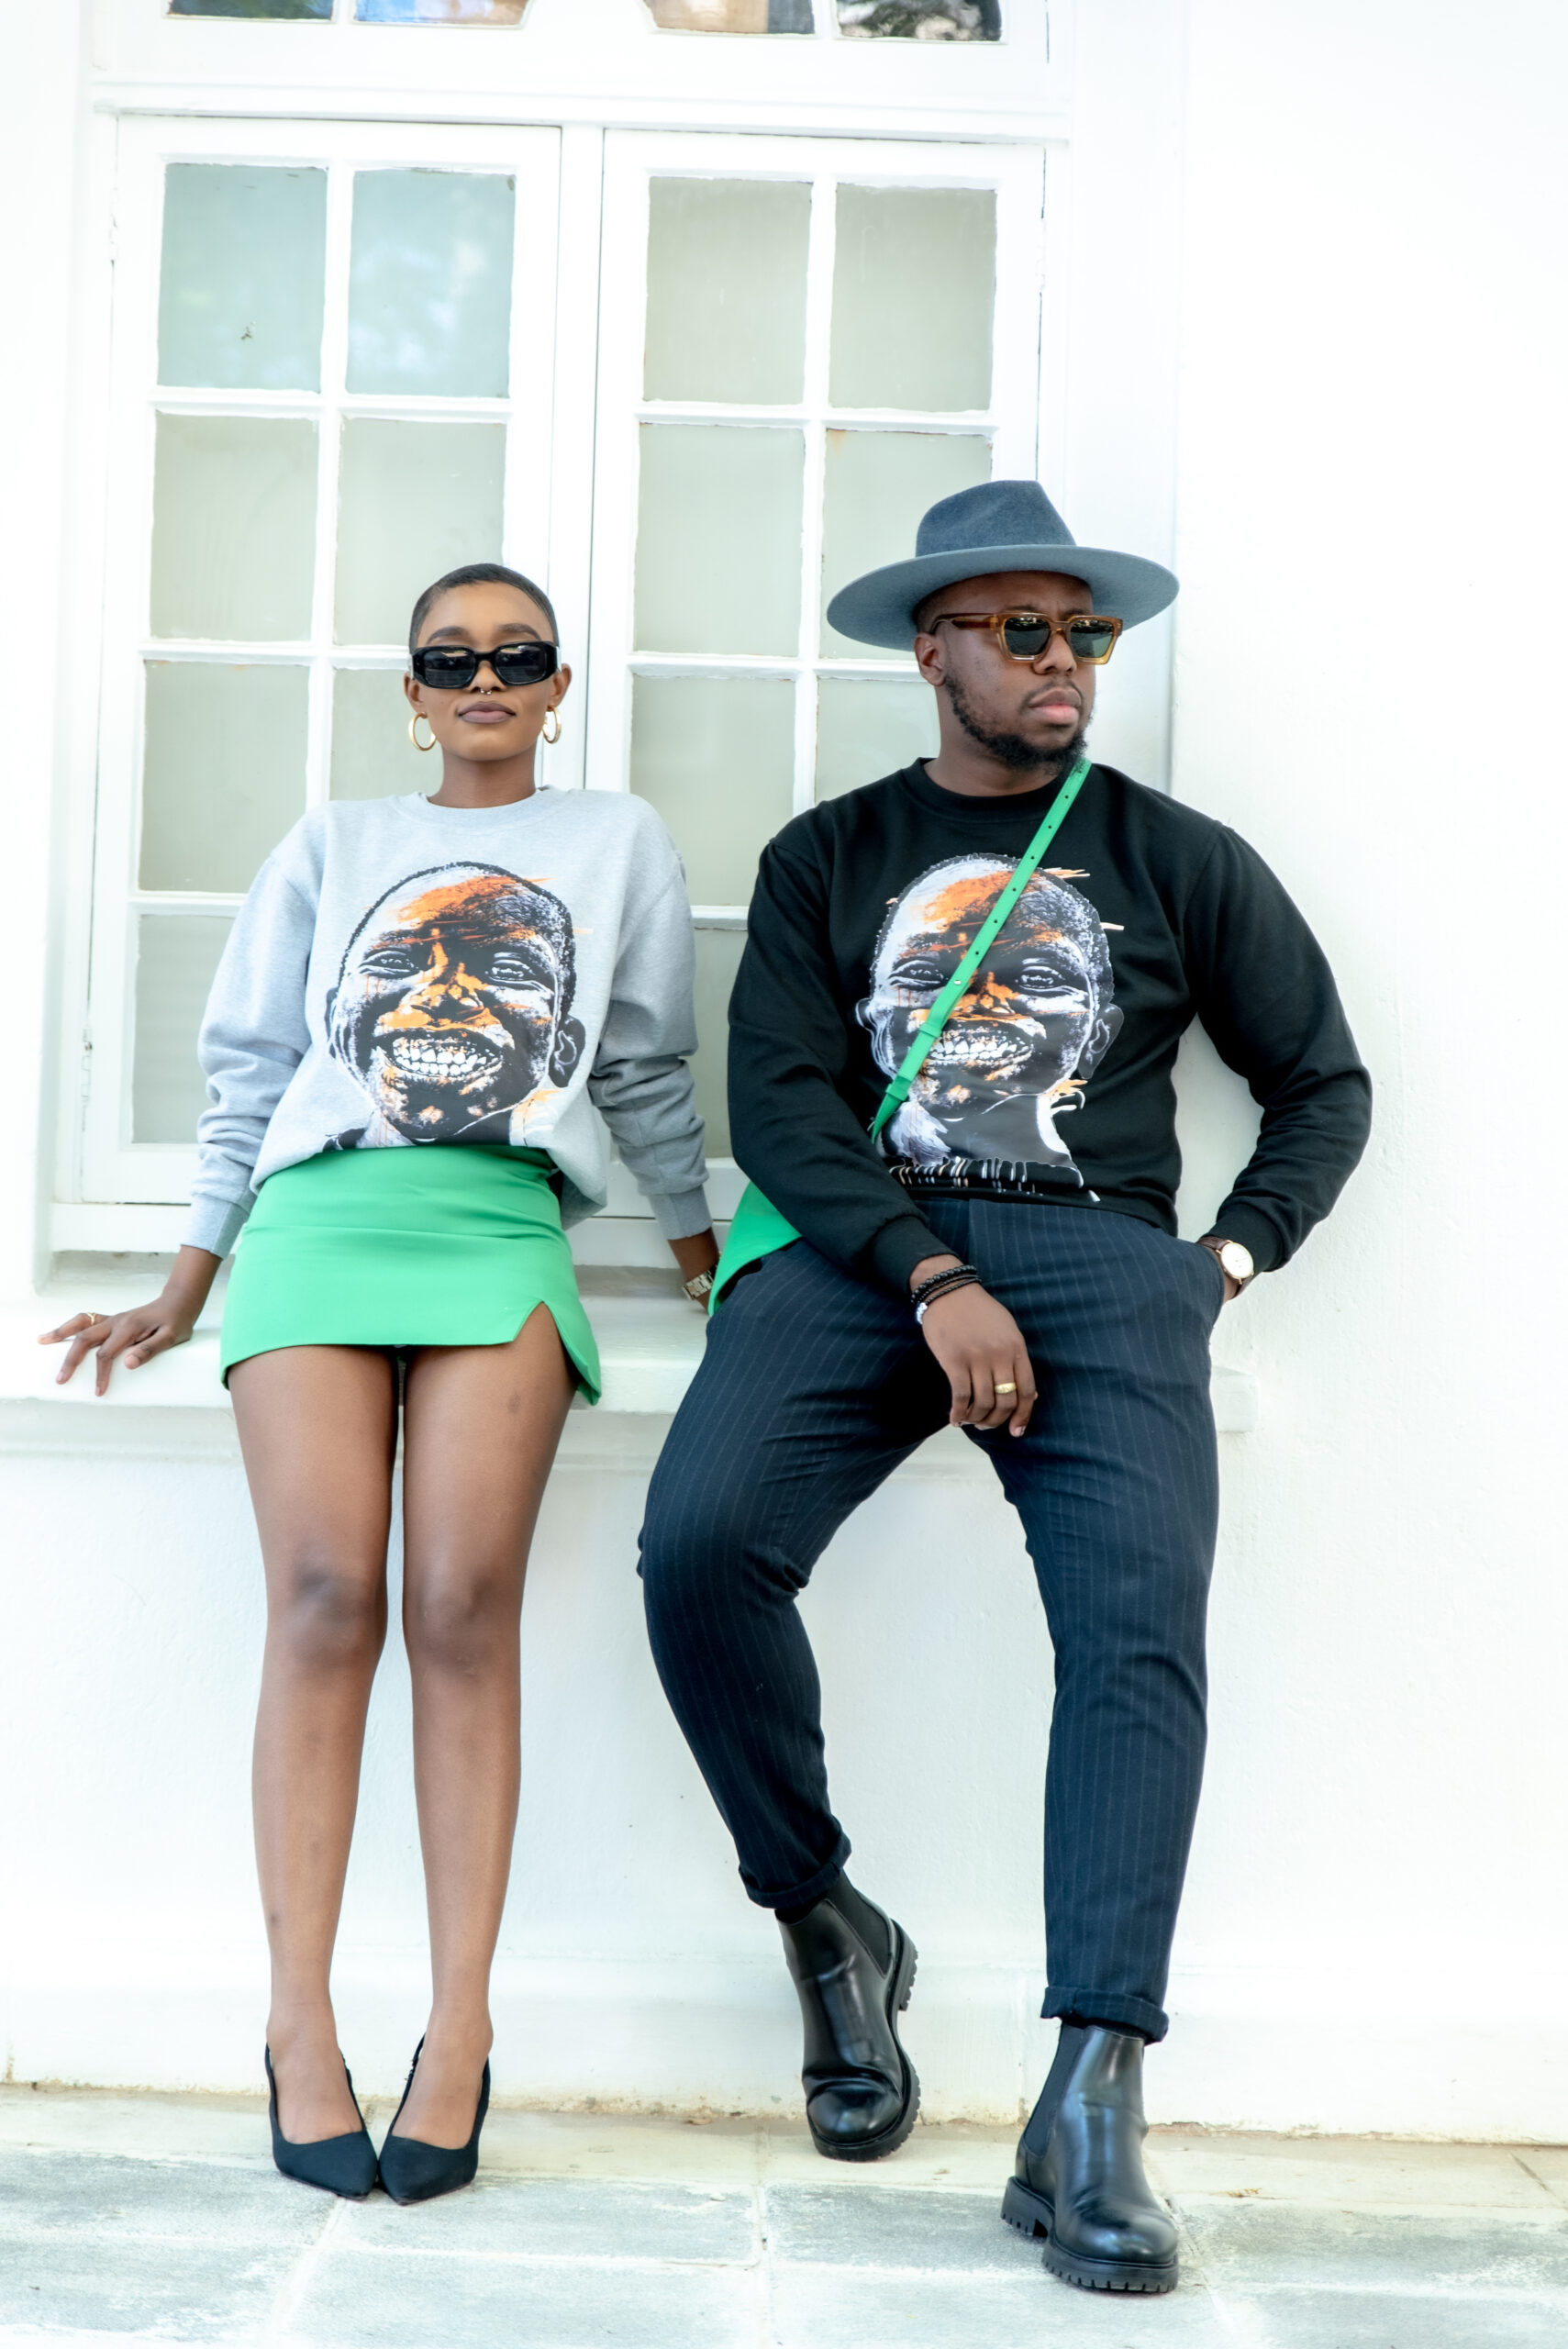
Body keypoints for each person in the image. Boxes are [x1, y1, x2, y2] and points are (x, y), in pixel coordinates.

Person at [639, 482, 1371, 2294]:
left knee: (1135, 1636)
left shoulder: (1175, 856)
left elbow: (1322, 1082)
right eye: (1024, 629)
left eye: (1086, 632)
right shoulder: (831, 854)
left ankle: (1093, 2094)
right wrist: (930, 1273)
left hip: (1109, 1260)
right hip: (860, 1253)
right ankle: (824, 1915)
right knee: (702, 1547)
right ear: (932, 649)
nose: (1065, 660)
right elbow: (783, 1101)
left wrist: (1223, 1261)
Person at [41, 562, 719, 2204]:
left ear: (557, 686)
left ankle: (461, 2030)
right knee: (327, 1598)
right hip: (316, 1226)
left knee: (463, 1606)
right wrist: (185, 1279)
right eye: (449, 658)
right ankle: (297, 2024)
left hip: (496, 1224)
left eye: (517, 655)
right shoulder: (332, 843)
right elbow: (255, 1073)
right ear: (411, 692)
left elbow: (638, 1065)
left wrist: (709, 1254)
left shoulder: (617, 841)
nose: (485, 678)